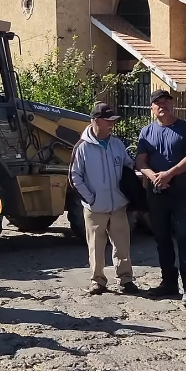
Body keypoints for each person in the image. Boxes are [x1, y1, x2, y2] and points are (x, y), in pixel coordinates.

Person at [136, 89, 186, 307]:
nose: (162, 105)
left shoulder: (185, 129)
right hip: (156, 194)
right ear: (152, 108)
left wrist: (169, 174)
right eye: (158, 103)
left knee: (183, 236)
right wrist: (153, 176)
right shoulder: (146, 132)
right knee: (162, 238)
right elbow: (141, 161)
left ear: (172, 105)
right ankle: (169, 283)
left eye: (166, 102)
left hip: (180, 193)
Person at [69, 103, 137, 296]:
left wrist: (128, 190)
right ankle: (98, 281)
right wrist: (91, 199)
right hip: (94, 208)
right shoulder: (81, 148)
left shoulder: (116, 144)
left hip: (118, 206)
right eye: (109, 121)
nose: (112, 125)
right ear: (96, 121)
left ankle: (126, 279)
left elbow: (127, 165)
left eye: (113, 121)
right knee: (96, 247)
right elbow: (74, 176)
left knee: (122, 245)